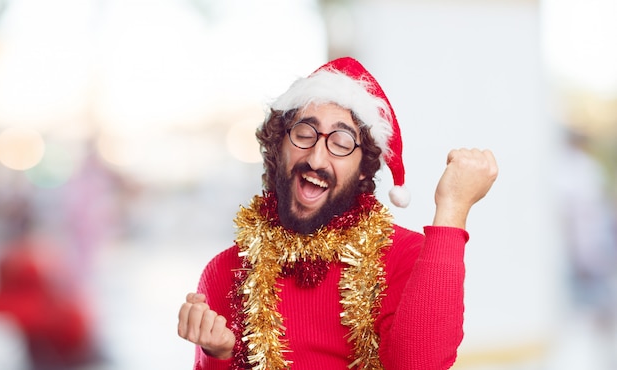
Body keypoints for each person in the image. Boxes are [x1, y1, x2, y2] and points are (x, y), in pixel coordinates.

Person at [177, 57, 498, 370]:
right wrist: (216, 355)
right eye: (304, 134)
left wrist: (453, 209)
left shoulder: (405, 256)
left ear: (363, 169)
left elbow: (418, 365)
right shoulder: (226, 271)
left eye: (341, 142)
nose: (316, 158)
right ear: (279, 147)